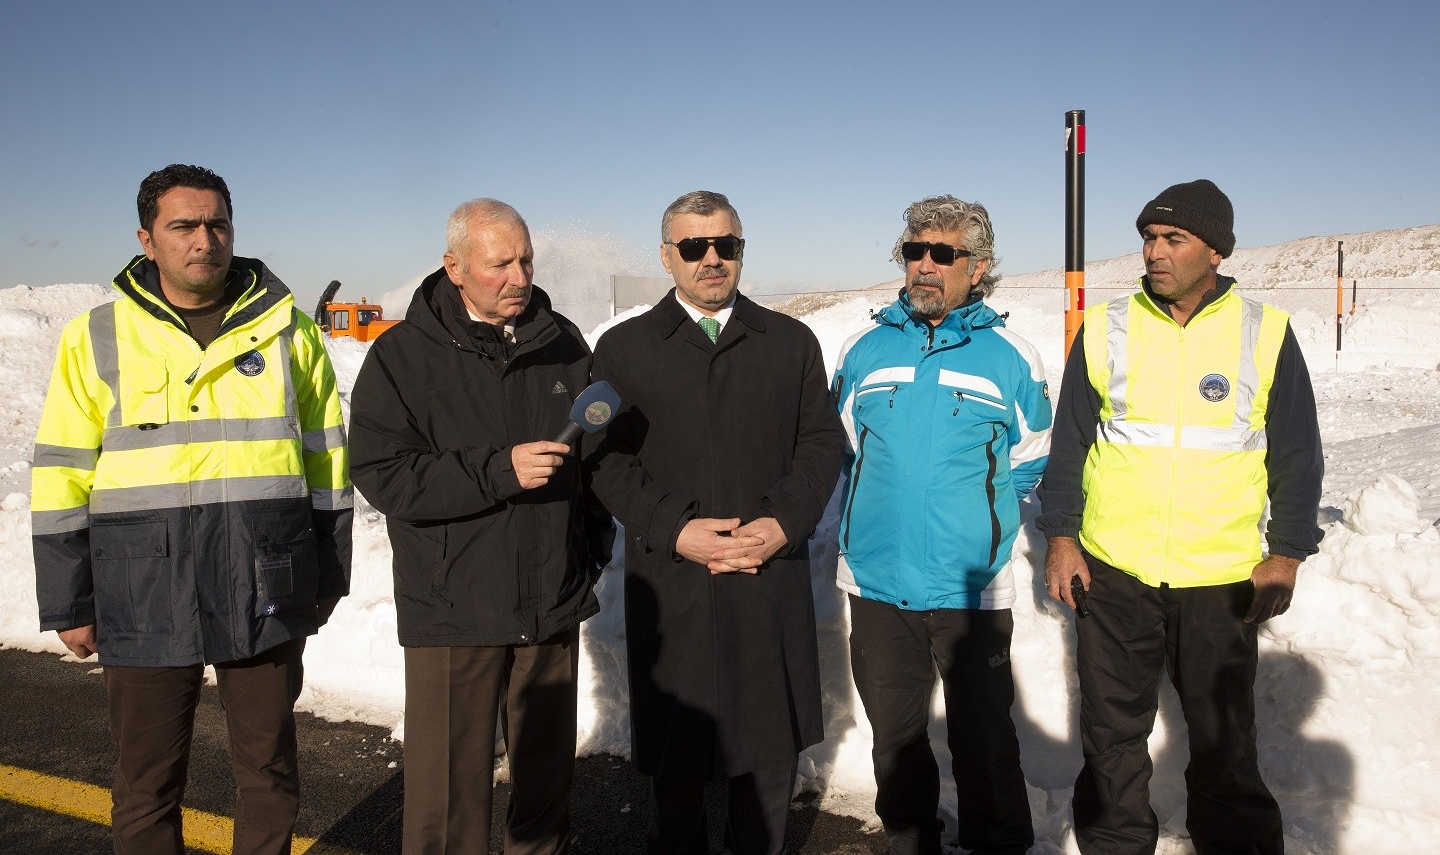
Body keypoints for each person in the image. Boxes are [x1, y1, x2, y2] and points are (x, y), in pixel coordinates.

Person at [30, 163, 352, 855]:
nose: (204, 239)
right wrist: (69, 599)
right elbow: (61, 472)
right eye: (184, 225)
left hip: (265, 585)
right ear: (147, 239)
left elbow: (328, 466)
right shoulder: (97, 337)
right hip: (141, 588)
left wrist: (328, 573)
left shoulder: (289, 332)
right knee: (146, 782)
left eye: (217, 223)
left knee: (269, 773)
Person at [1038, 179, 1325, 855]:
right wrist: (1061, 537)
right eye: (1148, 238)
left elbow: (1296, 453)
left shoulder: (1266, 332)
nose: (1154, 253)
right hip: (1115, 573)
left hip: (1219, 580)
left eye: (1173, 239)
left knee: (1226, 744)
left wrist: (1284, 554)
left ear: (1216, 250)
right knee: (1111, 740)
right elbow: (1070, 442)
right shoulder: (1108, 328)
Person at [585, 190, 845, 855]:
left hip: (766, 576)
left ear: (740, 251)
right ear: (667, 256)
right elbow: (604, 460)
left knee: (765, 762)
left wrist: (783, 522)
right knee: (677, 760)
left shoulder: (790, 343)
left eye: (724, 245)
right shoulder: (623, 349)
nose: (711, 259)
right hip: (675, 583)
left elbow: (820, 444)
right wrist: (676, 529)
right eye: (693, 247)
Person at [348, 198, 611, 855]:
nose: (520, 276)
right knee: (446, 807)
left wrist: (586, 554)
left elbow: (595, 465)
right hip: (452, 613)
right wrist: (499, 471)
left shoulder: (563, 344)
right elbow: (385, 474)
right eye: (502, 264)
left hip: (549, 607)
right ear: (455, 267)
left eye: (526, 259)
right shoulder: (402, 358)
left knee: (545, 798)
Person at [831, 195, 1048, 855]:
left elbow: (1028, 457)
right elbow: (845, 447)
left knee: (984, 742)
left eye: (943, 254)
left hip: (970, 591)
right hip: (876, 583)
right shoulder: (862, 349)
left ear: (976, 267)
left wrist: (973, 529)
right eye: (913, 251)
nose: (924, 265)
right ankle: (910, 839)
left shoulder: (1012, 356)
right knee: (894, 740)